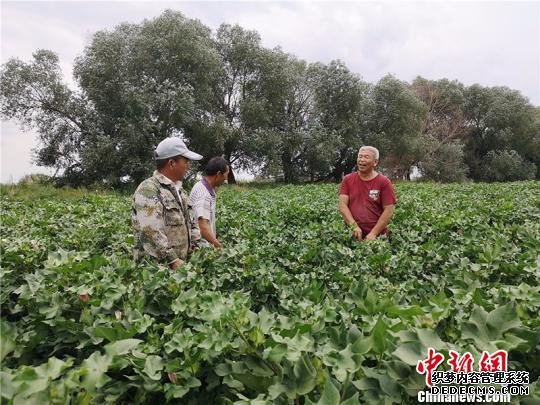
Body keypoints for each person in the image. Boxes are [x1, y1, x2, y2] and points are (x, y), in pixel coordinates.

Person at [132, 137, 202, 270]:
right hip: (156, 273)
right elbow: (151, 231)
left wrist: (195, 248)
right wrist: (173, 260)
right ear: (171, 163)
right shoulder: (149, 189)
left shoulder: (180, 191)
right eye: (185, 161)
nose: (188, 165)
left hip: (180, 271)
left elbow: (192, 222)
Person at [338, 146, 397, 241]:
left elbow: (388, 210)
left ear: (375, 162)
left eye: (366, 157)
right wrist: (354, 226)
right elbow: (342, 205)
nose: (362, 160)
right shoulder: (347, 179)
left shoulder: (384, 182)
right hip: (352, 234)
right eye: (360, 157)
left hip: (377, 237)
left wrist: (373, 234)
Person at [189, 157, 229, 249]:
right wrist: (219, 247)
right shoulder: (204, 194)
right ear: (218, 174)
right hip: (201, 248)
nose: (226, 179)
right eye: (226, 175)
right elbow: (203, 227)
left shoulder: (199, 185)